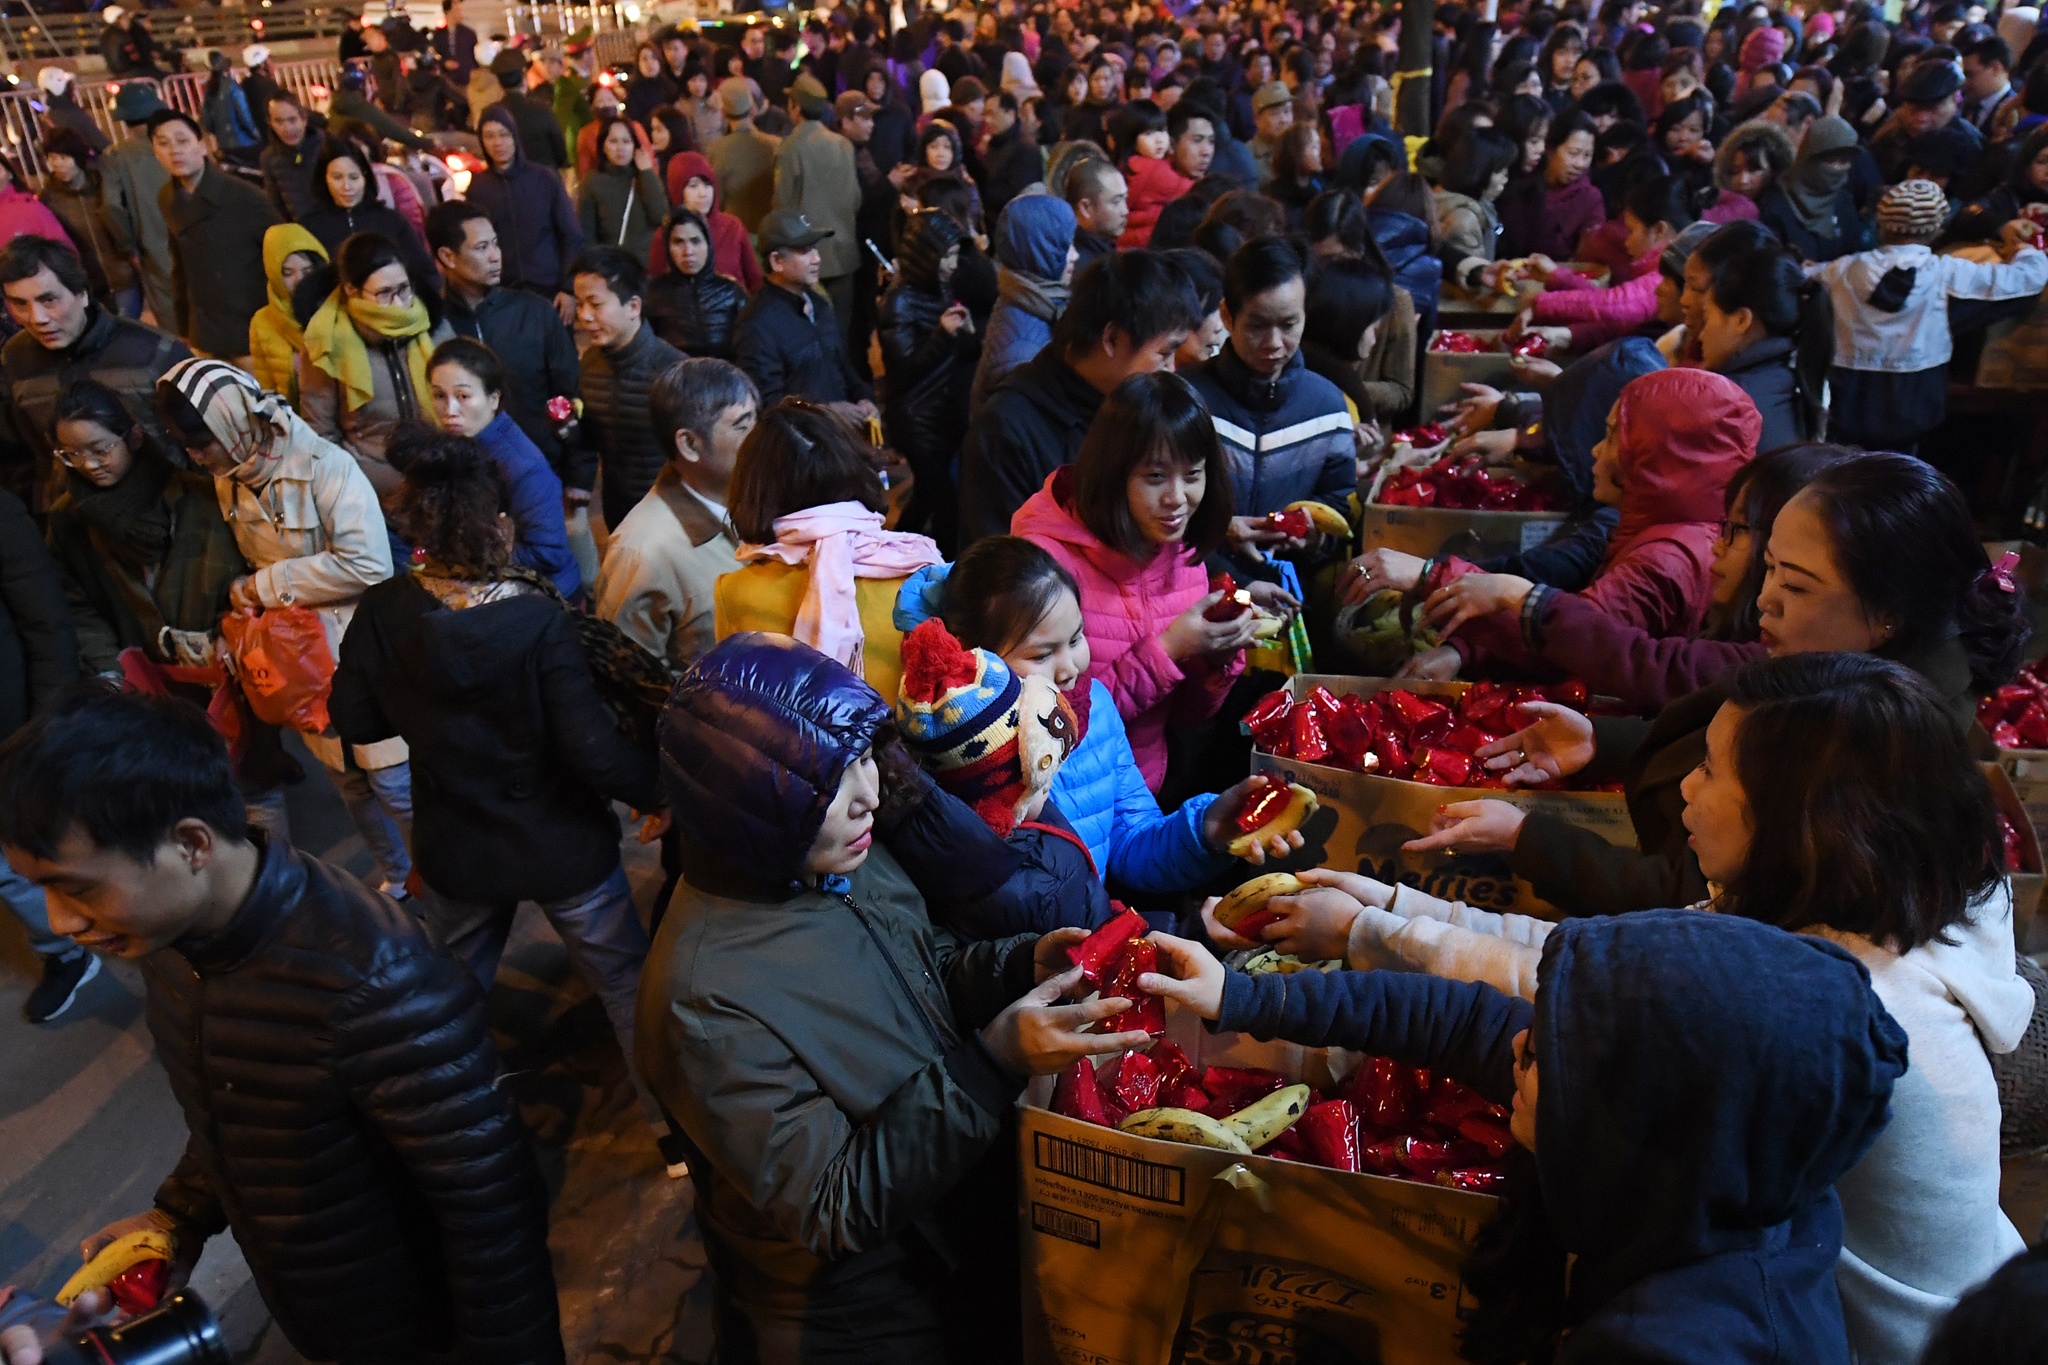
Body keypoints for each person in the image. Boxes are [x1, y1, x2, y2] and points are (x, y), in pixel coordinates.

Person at [1275, 650, 2033, 1364]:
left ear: (1802, 820)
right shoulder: (1851, 905)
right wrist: (1396, 909)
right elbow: (1595, 955)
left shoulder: (1840, 993)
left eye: (1710, 770)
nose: (1685, 791)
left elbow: (1580, 994)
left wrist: (1369, 932)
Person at [0, 690, 564, 1364]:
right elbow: (248, 1100)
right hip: (325, 1315)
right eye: (42, 890)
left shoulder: (381, 982)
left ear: (190, 843)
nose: (61, 922)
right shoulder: (174, 941)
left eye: (79, 888)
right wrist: (176, 1218)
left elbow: (495, 1220)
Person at [639, 630, 1145, 1362]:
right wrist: (992, 1061)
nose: (871, 795)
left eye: (865, 762)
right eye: (830, 787)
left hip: (952, 1226)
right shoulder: (700, 1001)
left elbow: (925, 967)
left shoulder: (838, 857)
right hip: (862, 1309)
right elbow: (834, 1202)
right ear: (749, 815)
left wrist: (1017, 964)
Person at [1141, 908, 1906, 1365]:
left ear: (1629, 1120)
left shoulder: (1681, 1343)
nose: (1515, 1049)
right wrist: (1241, 994)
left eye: (1540, 1052)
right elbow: (1456, 1018)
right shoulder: (1721, 1164)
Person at [1420, 450, 2031, 918]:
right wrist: (1601, 743)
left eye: (1795, 585)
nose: (1764, 600)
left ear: (1886, 613)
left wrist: (1526, 839)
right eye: (1769, 569)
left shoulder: (1871, 750)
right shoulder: (1834, 670)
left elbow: (1704, 901)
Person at [330, 426, 664, 1136]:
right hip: (561, 840)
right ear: (501, 526)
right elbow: (594, 752)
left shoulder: (385, 610)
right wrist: (663, 791)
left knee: (454, 996)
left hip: (458, 842)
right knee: (625, 983)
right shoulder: (539, 618)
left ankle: (459, 1136)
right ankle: (675, 1133)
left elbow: (354, 720)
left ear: (417, 527)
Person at [893, 535, 1299, 898]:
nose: (1071, 667)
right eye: (1042, 654)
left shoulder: (1095, 705)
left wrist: (1207, 830)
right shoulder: (951, 753)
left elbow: (1132, 844)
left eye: (1076, 638)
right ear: (972, 658)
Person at [155, 358, 414, 897]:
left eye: (203, 441)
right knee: (349, 784)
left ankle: (437, 885)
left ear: (234, 426)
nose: (195, 455)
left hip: (365, 652)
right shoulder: (232, 479)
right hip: (302, 665)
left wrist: (263, 587)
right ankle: (396, 876)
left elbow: (369, 564)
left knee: (395, 782)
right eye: (187, 443)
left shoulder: (324, 466)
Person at [1415, 367, 1762, 678]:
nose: (1596, 450)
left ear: (1656, 460)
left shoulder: (1663, 563)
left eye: (1612, 437)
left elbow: (1568, 644)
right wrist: (1464, 650)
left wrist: (1428, 576)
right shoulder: (1673, 532)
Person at [1012, 372, 1255, 792]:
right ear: (1113, 473)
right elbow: (1048, 720)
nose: (1177, 498)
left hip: (1141, 792)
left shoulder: (1184, 556)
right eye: (1156, 477)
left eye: (1193, 474)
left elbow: (1187, 717)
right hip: (1062, 795)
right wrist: (1169, 649)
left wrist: (1218, 659)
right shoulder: (1046, 563)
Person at [959, 249, 1199, 546]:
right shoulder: (1007, 430)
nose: (1171, 369)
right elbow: (998, 566)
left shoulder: (1133, 405)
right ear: (1112, 339)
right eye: (1164, 353)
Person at [1817, 180, 2048, 454]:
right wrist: (2026, 251)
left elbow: (1804, 276)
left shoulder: (1840, 271)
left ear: (1881, 225)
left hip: (1848, 397)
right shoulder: (1947, 273)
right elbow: (2026, 280)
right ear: (1938, 229)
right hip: (1915, 399)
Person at [45, 374, 246, 678]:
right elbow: (76, 606)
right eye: (73, 454)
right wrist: (114, 672)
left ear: (134, 438)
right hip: (139, 683)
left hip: (225, 670)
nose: (89, 465)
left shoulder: (201, 497)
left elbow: (240, 577)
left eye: (101, 450)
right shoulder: (68, 520)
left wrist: (227, 630)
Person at [1184, 236, 1354, 574]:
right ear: (1227, 317)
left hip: (1285, 596)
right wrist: (1218, 530)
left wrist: (1314, 539)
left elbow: (1339, 508)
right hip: (1195, 589)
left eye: (1289, 325)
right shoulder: (1187, 399)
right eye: (1257, 326)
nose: (1274, 343)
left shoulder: (1328, 408)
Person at [595, 358, 753, 672]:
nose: (758, 438)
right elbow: (629, 684)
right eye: (742, 425)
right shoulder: (640, 553)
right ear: (690, 444)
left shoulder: (762, 498)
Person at [0, 236, 192, 483]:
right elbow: (35, 455)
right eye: (19, 303)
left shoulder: (155, 352)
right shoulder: (15, 360)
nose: (37, 318)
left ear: (81, 294)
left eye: (49, 300)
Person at [0, 480, 84, 1027]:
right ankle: (67, 954)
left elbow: (46, 622)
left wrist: (47, 726)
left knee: (72, 835)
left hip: (15, 728)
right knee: (9, 868)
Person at [297, 233, 453, 503]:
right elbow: (321, 434)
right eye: (384, 293)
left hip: (441, 476)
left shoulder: (433, 327)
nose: (399, 304)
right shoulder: (327, 343)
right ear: (351, 290)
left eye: (404, 289)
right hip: (371, 491)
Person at [424, 338, 578, 596]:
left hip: (544, 597)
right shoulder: (454, 446)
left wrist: (469, 554)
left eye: (463, 396)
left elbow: (549, 554)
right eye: (440, 395)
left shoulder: (523, 467)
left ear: (493, 399)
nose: (449, 410)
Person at [879, 209, 979, 551]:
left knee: (927, 495)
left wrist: (963, 333)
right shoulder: (899, 302)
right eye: (945, 256)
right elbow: (904, 370)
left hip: (941, 408)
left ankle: (895, 550)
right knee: (942, 496)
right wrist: (942, 334)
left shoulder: (940, 287)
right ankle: (938, 562)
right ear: (926, 256)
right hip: (915, 416)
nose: (952, 264)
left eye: (954, 255)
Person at [147, 110, 279, 367]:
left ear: (203, 146)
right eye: (163, 143)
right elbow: (180, 267)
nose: (174, 150)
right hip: (204, 332)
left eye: (182, 141)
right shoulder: (167, 198)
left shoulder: (244, 195)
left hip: (250, 329)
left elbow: (282, 257)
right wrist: (184, 325)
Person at [566, 246, 683, 532]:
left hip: (671, 514)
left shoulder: (673, 369)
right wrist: (568, 429)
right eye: (580, 304)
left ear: (633, 306)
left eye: (595, 304)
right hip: (618, 510)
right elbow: (593, 439)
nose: (585, 316)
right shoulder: (590, 363)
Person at [732, 209, 875, 416]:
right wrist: (827, 413)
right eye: (805, 251)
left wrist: (863, 397)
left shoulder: (820, 305)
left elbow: (841, 366)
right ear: (777, 261)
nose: (817, 259)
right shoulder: (756, 324)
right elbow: (768, 405)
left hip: (840, 438)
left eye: (815, 249)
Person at [1696, 240, 1832, 453]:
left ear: (1741, 320)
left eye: (1707, 318)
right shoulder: (1786, 379)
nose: (1701, 335)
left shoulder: (1730, 403)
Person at [466, 107, 586, 321]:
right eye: (490, 136)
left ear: (515, 136)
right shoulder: (479, 188)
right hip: (503, 293)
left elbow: (571, 234)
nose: (498, 143)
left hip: (549, 289)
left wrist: (568, 288)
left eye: (504, 135)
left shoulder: (544, 179)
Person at [773, 73, 863, 338]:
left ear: (796, 108)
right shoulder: (843, 144)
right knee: (841, 334)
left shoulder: (790, 148)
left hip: (806, 260)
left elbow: (782, 206)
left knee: (811, 336)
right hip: (844, 255)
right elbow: (856, 198)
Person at [971, 195, 1077, 416]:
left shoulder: (1026, 297)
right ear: (1039, 251)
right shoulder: (1023, 354)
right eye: (1064, 246)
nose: (1075, 255)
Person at [298, 141, 436, 287]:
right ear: (324, 178)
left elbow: (426, 272)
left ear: (365, 177)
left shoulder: (390, 220)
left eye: (354, 177)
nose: (347, 187)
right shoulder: (309, 226)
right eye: (337, 177)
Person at [98, 83, 178, 330]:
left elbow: (111, 206)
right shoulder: (177, 145)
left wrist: (128, 245)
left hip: (153, 249)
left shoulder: (116, 157)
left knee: (171, 318)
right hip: (196, 239)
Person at [37, 132, 137, 319]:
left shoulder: (103, 185)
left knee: (127, 327)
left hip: (124, 277)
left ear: (79, 157)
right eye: (52, 158)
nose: (58, 164)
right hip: (88, 284)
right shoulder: (49, 198)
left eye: (64, 157)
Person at [1497, 109, 1605, 261]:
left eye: (1587, 155)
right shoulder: (1524, 184)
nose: (1580, 164)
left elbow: (1587, 258)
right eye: (1573, 153)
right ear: (1550, 149)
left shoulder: (1589, 198)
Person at [1757, 114, 1868, 262]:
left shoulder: (1843, 201)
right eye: (1829, 160)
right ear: (1808, 158)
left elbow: (1856, 254)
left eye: (1844, 161)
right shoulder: (1775, 205)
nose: (1836, 168)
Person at [644, 210, 745, 359]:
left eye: (696, 241)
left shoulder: (730, 291)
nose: (688, 251)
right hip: (672, 378)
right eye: (678, 242)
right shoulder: (653, 293)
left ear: (708, 244)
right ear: (668, 248)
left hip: (724, 377)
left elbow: (750, 348)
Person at [658, 150, 763, 293]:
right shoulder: (666, 235)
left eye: (708, 184)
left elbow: (755, 282)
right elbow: (657, 291)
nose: (703, 193)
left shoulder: (732, 226)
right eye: (693, 186)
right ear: (677, 190)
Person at [247, 226, 327, 401]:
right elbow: (266, 389)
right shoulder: (262, 323)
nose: (299, 280)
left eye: (307, 271)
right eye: (288, 273)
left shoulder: (337, 311)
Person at [1435, 126, 1519, 290]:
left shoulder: (1482, 206)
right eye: (1501, 171)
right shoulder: (1463, 219)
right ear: (1480, 170)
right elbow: (1470, 288)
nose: (1505, 179)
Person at [579, 113, 670, 263]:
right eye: (613, 141)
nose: (620, 148)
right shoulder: (592, 182)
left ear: (635, 145)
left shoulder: (645, 177)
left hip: (646, 267)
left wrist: (647, 173)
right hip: (612, 268)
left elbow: (661, 216)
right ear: (603, 146)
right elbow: (587, 235)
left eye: (626, 141)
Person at [708, 79, 782, 234]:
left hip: (736, 233)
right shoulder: (776, 144)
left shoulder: (716, 150)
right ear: (753, 109)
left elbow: (715, 200)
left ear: (723, 112)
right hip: (772, 231)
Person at [487, 48, 568, 170]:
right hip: (545, 181)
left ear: (499, 83)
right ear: (524, 77)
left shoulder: (491, 114)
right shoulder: (542, 110)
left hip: (509, 184)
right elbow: (561, 154)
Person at [258, 92, 327, 223]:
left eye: (292, 120)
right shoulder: (269, 158)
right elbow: (276, 205)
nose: (287, 128)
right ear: (270, 123)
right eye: (278, 121)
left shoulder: (326, 146)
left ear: (304, 119)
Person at [1065, 158, 1129, 269]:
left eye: (1125, 198)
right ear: (1085, 208)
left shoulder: (1102, 250)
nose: (1125, 211)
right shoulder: (1083, 270)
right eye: (1116, 202)